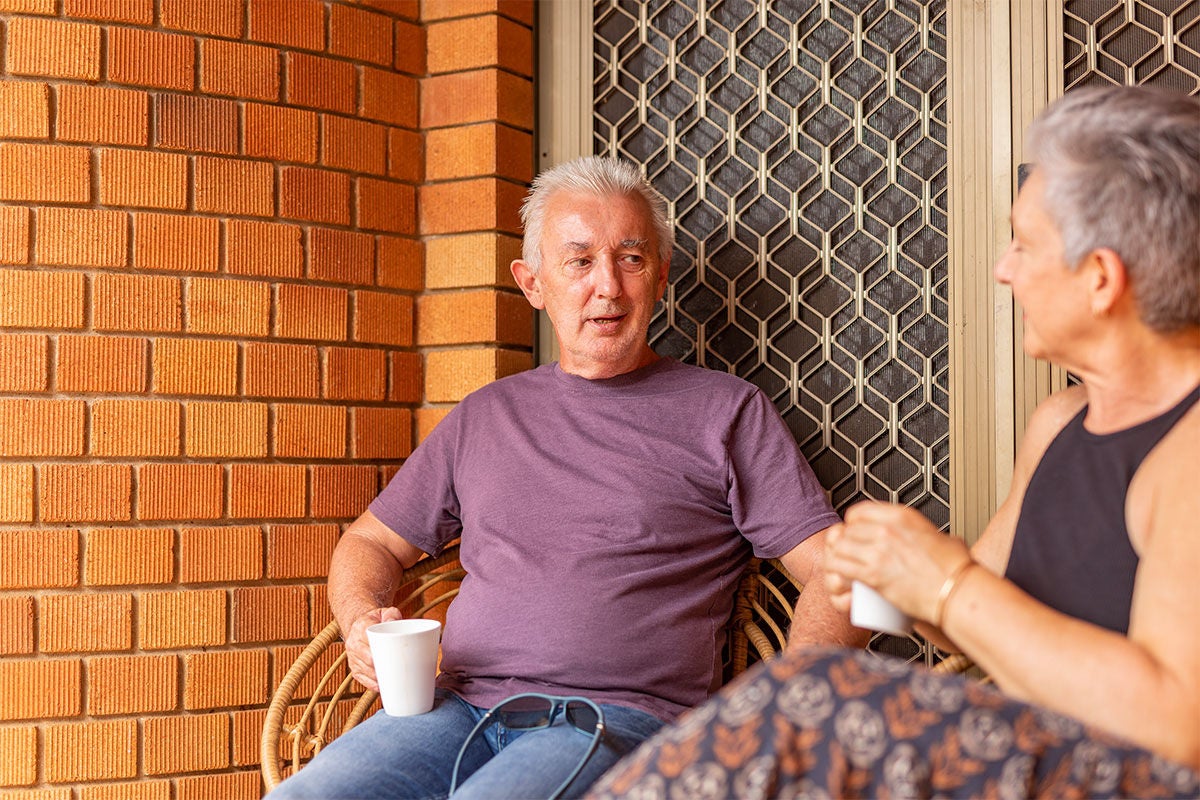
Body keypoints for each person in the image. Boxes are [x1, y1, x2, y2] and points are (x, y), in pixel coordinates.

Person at [586, 85, 1200, 799]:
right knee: (804, 695)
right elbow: (979, 622)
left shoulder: (1188, 449)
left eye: (1024, 245)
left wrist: (946, 583)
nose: (1003, 269)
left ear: (1100, 279)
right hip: (1041, 752)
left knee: (803, 712)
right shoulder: (1060, 424)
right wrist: (895, 580)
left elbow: (1176, 724)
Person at [268, 156, 866, 799]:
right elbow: (371, 542)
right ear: (533, 283)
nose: (607, 286)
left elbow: (842, 574)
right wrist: (361, 619)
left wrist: (780, 704)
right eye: (579, 261)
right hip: (453, 712)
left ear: (660, 277)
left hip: (616, 723)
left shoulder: (725, 412)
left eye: (631, 259)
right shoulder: (485, 416)